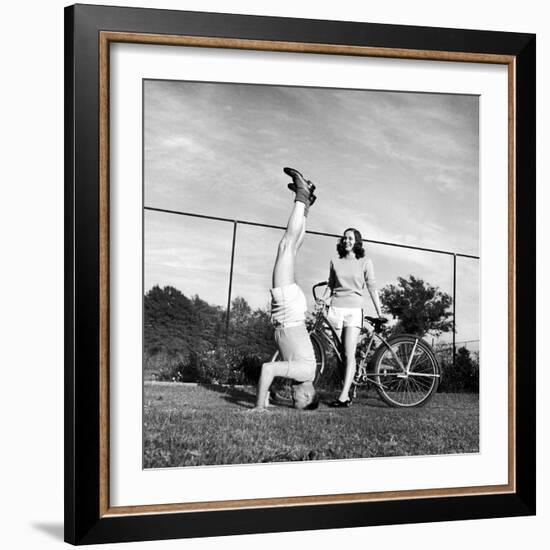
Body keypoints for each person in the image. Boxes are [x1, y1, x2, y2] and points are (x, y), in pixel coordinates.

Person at [250, 167, 320, 411]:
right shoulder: (303, 371)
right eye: (298, 400)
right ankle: (302, 194)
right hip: (289, 310)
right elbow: (268, 369)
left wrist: (267, 392)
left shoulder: (305, 372)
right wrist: (260, 405)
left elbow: (275, 362)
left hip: (291, 312)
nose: (293, 399)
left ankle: (306, 200)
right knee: (286, 245)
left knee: (293, 246)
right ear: (309, 394)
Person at [319, 228, 384, 407]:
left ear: (356, 242)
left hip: (353, 312)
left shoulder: (365, 262)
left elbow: (372, 287)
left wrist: (380, 312)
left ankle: (343, 397)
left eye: (350, 238)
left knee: (349, 353)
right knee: (339, 355)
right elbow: (331, 286)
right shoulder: (335, 262)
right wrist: (322, 299)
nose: (346, 241)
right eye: (344, 238)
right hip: (335, 310)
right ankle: (347, 391)